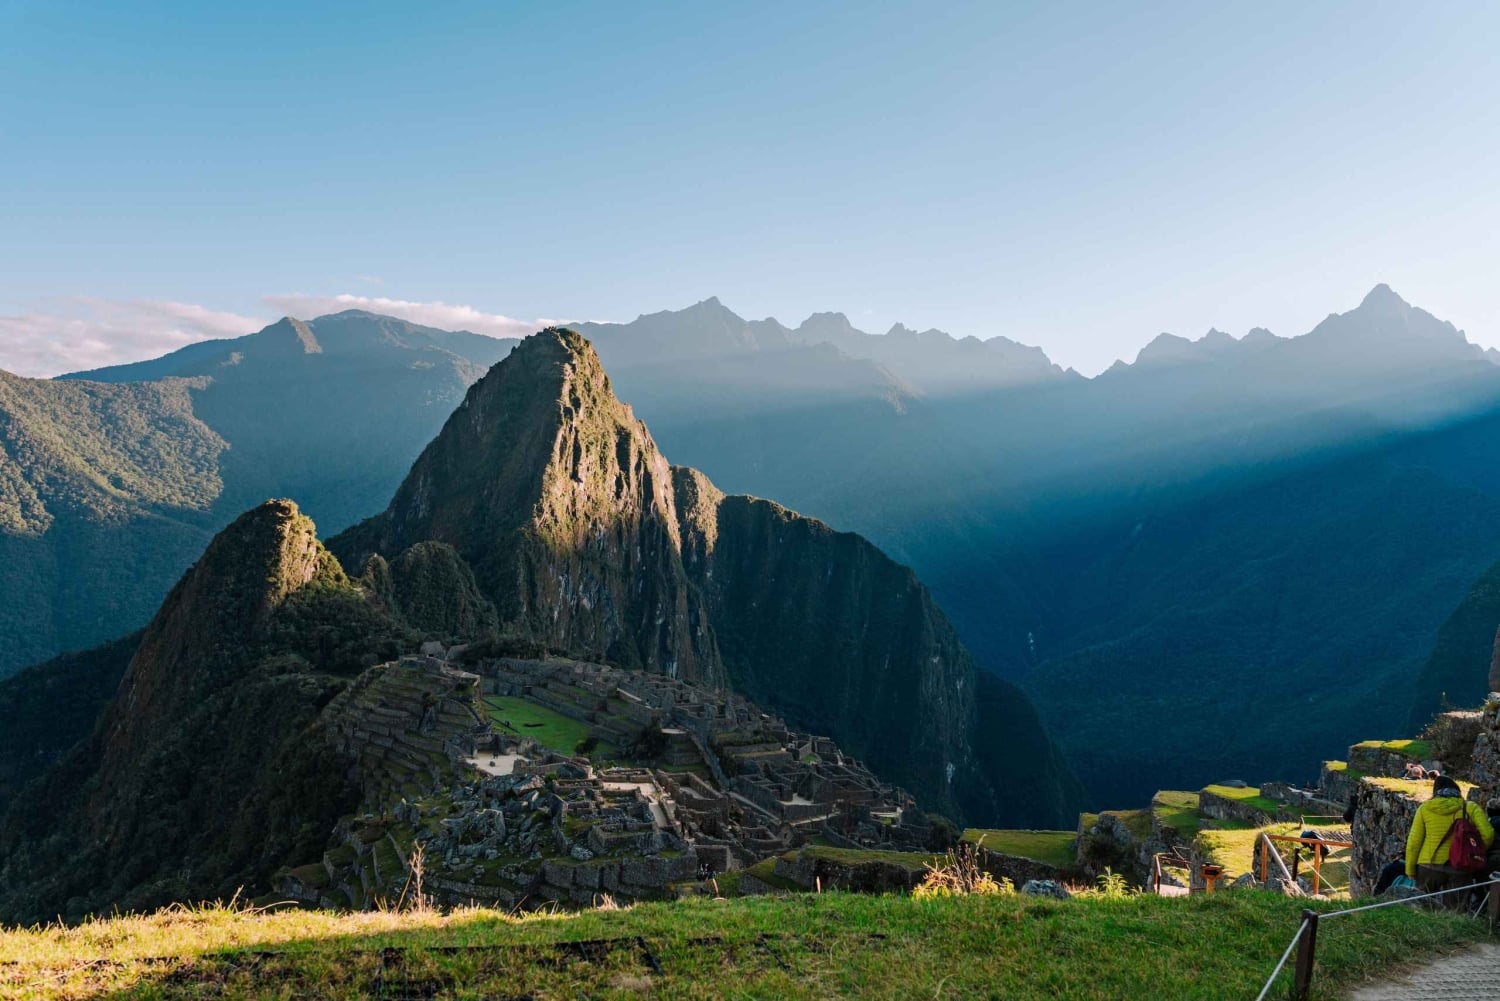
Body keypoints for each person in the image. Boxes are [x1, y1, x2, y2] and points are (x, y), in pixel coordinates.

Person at [1403, 774, 1494, 888]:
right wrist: (1474, 852)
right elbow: (1488, 834)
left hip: (1428, 864)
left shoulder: (1424, 809)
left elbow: (1414, 842)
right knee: (1456, 905)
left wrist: (1410, 869)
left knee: (1422, 904)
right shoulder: (1470, 807)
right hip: (1460, 865)